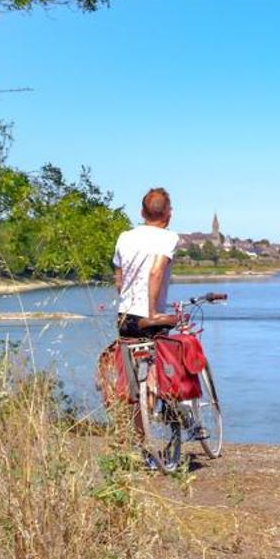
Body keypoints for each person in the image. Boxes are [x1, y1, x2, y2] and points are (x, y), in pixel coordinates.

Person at [111, 188, 181, 455]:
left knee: (132, 381)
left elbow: (119, 277)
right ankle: (163, 415)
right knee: (158, 373)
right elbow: (156, 271)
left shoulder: (124, 237)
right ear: (168, 214)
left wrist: (127, 300)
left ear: (142, 213)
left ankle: (138, 444)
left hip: (125, 315)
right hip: (148, 316)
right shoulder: (168, 237)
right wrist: (153, 312)